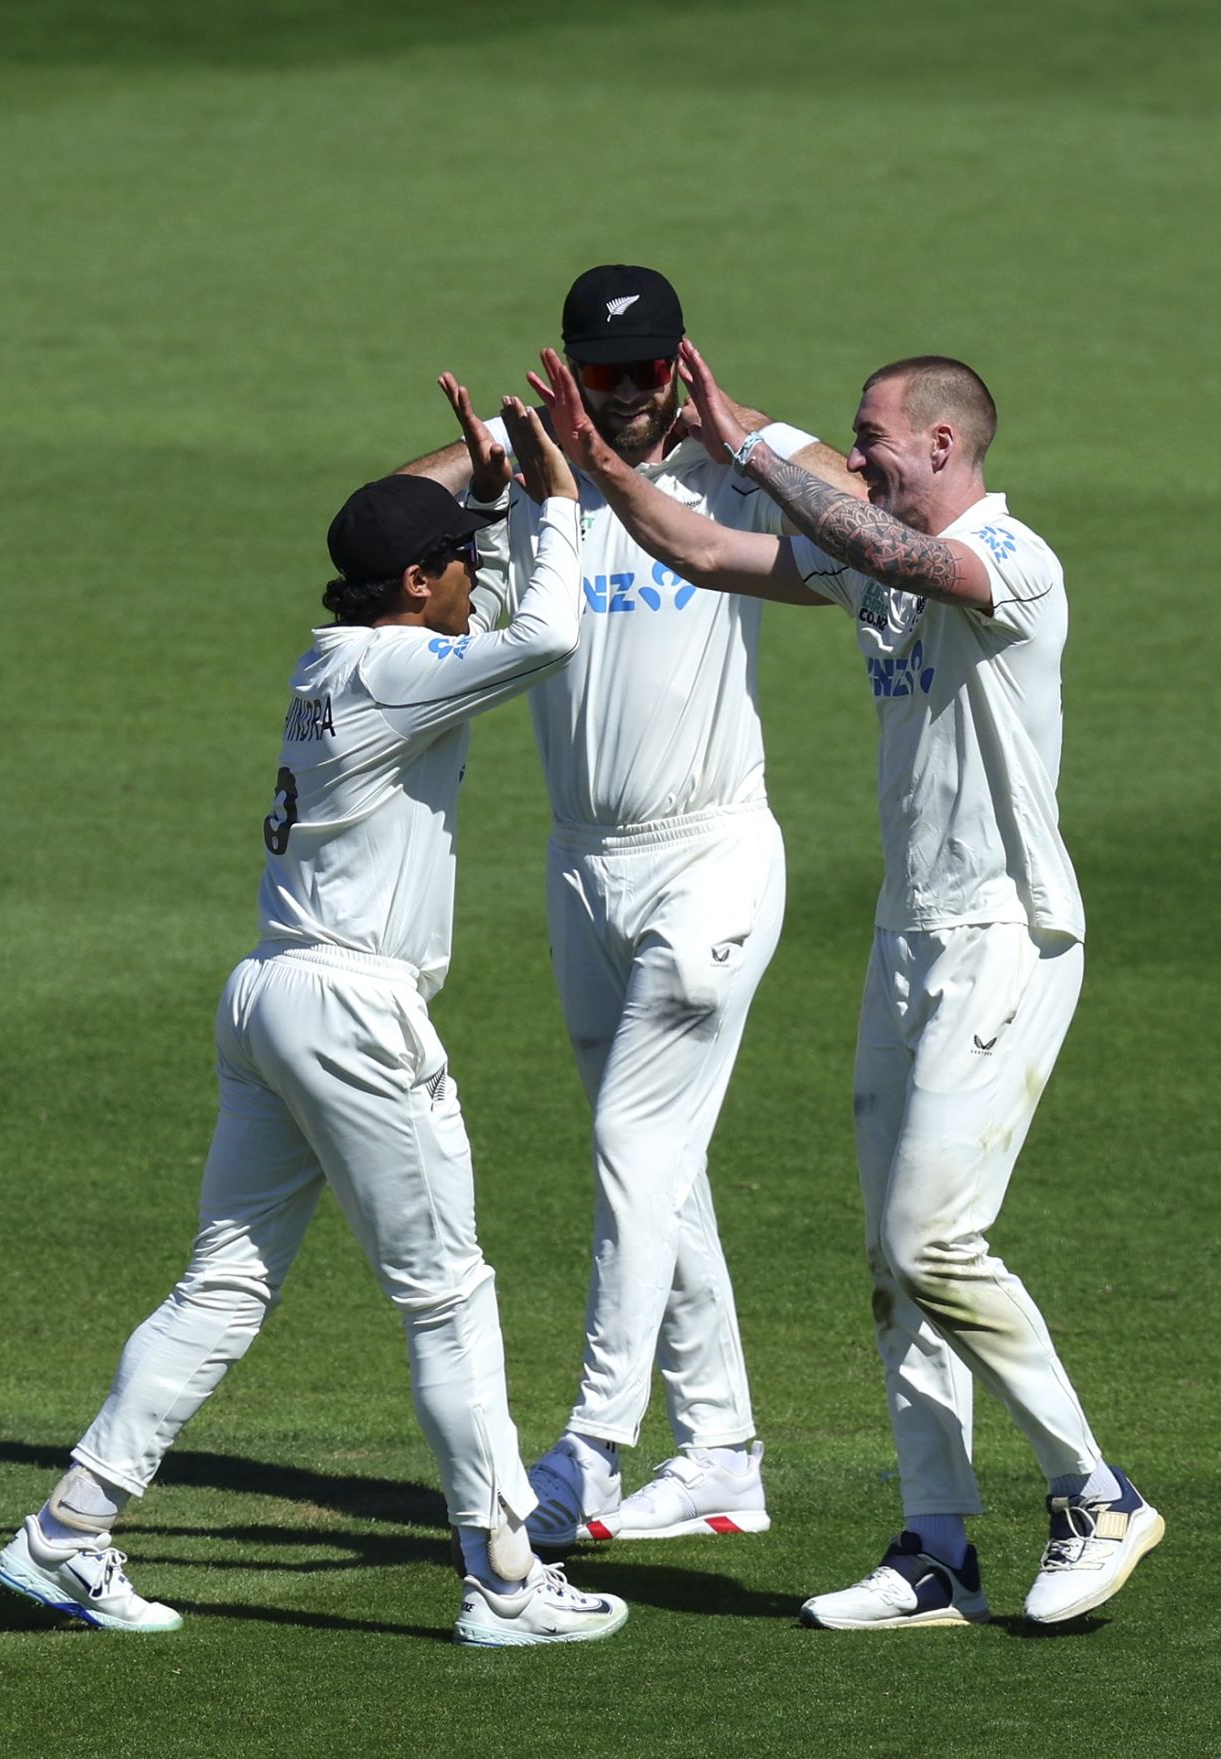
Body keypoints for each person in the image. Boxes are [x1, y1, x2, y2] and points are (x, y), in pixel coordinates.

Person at [528, 340, 1164, 1626]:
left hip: (1007, 928)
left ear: (942, 443)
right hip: (907, 933)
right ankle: (936, 1547)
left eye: (871, 437)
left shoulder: (1012, 557)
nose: (854, 454)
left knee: (936, 1239)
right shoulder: (867, 553)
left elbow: (891, 555)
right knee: (891, 1255)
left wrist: (747, 436)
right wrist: (607, 470)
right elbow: (709, 555)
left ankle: (1094, 1491)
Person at [0, 398, 630, 1649]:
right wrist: (554, 495)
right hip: (351, 1012)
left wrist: (489, 499)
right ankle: (503, 1578)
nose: (469, 574)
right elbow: (546, 635)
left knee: (222, 1284)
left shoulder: (339, 657)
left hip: (271, 992)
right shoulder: (399, 669)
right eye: (455, 557)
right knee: (447, 1294)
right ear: (413, 580)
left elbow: (482, 611)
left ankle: (67, 1530)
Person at [403, 266, 858, 1548]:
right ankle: (717, 1447)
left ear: (679, 365)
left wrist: (740, 424)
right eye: (599, 373)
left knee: (628, 1150)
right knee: (663, 1168)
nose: (624, 394)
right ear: (565, 368)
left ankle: (590, 1450)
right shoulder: (534, 487)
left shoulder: (726, 475)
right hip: (578, 864)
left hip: (710, 854)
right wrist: (501, 443)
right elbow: (379, 514)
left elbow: (869, 505)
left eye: (646, 372)